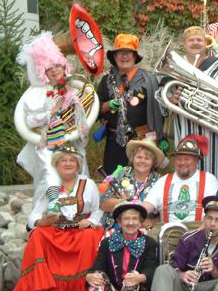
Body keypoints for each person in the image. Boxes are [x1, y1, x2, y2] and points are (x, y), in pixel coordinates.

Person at [11, 146, 104, 291]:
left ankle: (87, 287)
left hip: (81, 231)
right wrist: (43, 222)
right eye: (63, 160)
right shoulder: (50, 185)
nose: (68, 164)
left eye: (72, 160)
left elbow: (99, 209)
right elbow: (33, 216)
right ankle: (42, 289)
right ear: (56, 164)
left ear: (78, 164)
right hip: (57, 231)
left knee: (91, 235)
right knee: (38, 235)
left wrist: (91, 222)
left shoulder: (88, 184)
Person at [15, 32, 90, 205]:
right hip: (48, 146)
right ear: (43, 72)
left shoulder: (76, 90)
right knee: (51, 179)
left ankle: (77, 216)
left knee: (80, 178)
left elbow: (83, 122)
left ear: (65, 67)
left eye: (58, 65)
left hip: (72, 144)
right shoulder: (38, 94)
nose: (55, 69)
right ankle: (45, 216)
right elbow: (30, 121)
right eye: (50, 67)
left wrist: (76, 109)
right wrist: (52, 112)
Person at [162, 25, 218, 183]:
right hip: (185, 127)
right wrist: (171, 99)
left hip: (215, 132)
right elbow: (162, 93)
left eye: (200, 40)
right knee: (186, 169)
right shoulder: (174, 65)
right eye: (191, 40)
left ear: (206, 43)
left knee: (217, 169)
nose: (196, 43)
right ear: (185, 43)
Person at [76, 201, 158, 291]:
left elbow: (151, 269)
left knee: (132, 275)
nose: (130, 222)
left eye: (134, 219)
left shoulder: (149, 243)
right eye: (126, 218)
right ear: (119, 222)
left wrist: (140, 277)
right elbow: (98, 266)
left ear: (140, 222)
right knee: (98, 275)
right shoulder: (107, 242)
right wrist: (89, 275)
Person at [95, 34, 164, 175]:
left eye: (128, 53)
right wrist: (108, 105)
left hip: (141, 141)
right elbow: (95, 109)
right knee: (113, 181)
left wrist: (157, 139)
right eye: (120, 53)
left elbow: (159, 112)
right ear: (114, 57)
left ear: (134, 56)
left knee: (142, 180)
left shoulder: (148, 80)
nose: (124, 56)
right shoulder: (107, 80)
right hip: (114, 142)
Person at [142, 135, 218, 224]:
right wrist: (134, 213)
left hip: (199, 231)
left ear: (196, 160)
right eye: (179, 159)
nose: (182, 162)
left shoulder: (209, 180)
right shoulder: (163, 181)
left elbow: (216, 210)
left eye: (187, 159)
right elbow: (147, 205)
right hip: (168, 232)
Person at [98, 139, 167, 232]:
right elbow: (103, 204)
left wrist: (153, 221)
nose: (142, 161)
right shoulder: (122, 174)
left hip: (146, 231)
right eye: (139, 157)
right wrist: (123, 202)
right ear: (133, 158)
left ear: (153, 162)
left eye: (147, 158)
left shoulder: (160, 181)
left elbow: (167, 211)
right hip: (117, 228)